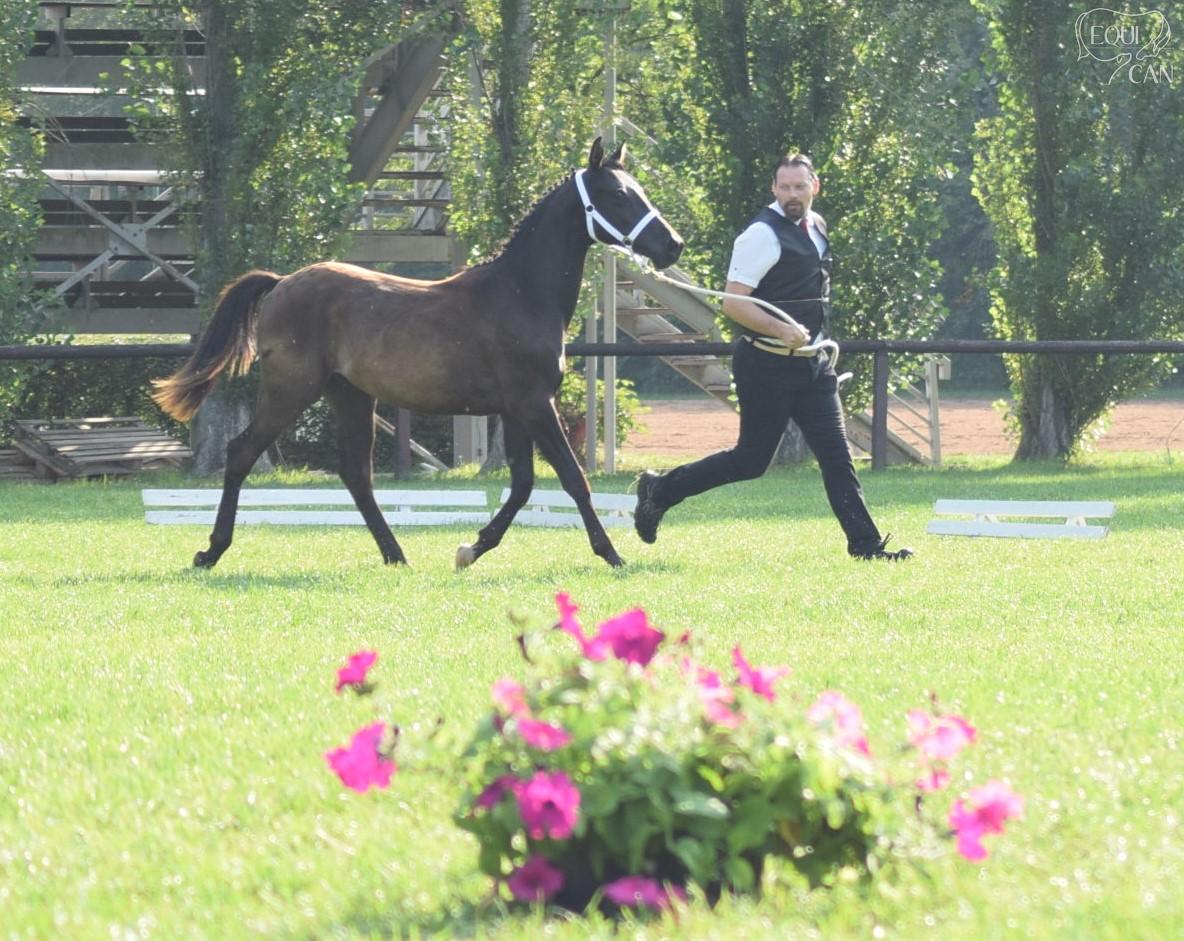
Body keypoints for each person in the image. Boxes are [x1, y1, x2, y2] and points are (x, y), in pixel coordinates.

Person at [633, 153, 912, 561]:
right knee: (750, 462)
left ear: (815, 187)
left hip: (813, 365)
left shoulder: (817, 226)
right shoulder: (760, 235)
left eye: (799, 186)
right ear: (774, 189)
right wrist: (782, 330)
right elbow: (734, 303)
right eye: (785, 187)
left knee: (837, 458)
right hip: (766, 365)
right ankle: (660, 490)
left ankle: (866, 547)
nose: (792, 195)